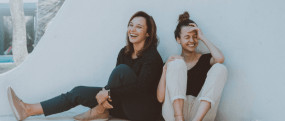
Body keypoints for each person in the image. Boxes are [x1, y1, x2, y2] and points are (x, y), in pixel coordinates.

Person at [7, 11, 163, 121]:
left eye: (139, 27)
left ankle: (100, 110)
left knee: (121, 71)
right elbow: (117, 82)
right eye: (131, 25)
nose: (132, 29)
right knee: (78, 92)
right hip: (123, 105)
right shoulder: (125, 52)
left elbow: (141, 89)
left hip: (143, 112)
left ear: (148, 33)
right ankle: (28, 110)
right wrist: (107, 93)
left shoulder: (152, 57)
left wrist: (107, 92)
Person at [157, 11, 228, 121]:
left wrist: (202, 37)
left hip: (199, 112)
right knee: (176, 63)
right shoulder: (172, 62)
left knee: (220, 68)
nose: (191, 40)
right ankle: (179, 118)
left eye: (194, 37)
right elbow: (160, 98)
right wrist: (165, 69)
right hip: (174, 113)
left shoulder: (205, 59)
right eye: (187, 37)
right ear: (178, 39)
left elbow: (220, 59)